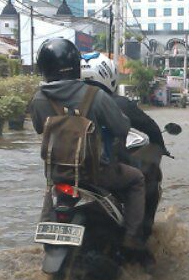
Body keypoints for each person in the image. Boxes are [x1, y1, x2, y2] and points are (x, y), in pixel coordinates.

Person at [29, 38, 148, 252]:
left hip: (59, 174)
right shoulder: (95, 96)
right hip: (97, 173)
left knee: (50, 189)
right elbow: (121, 128)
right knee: (137, 180)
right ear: (75, 66)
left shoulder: (38, 100)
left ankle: (46, 230)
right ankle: (131, 238)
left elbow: (40, 128)